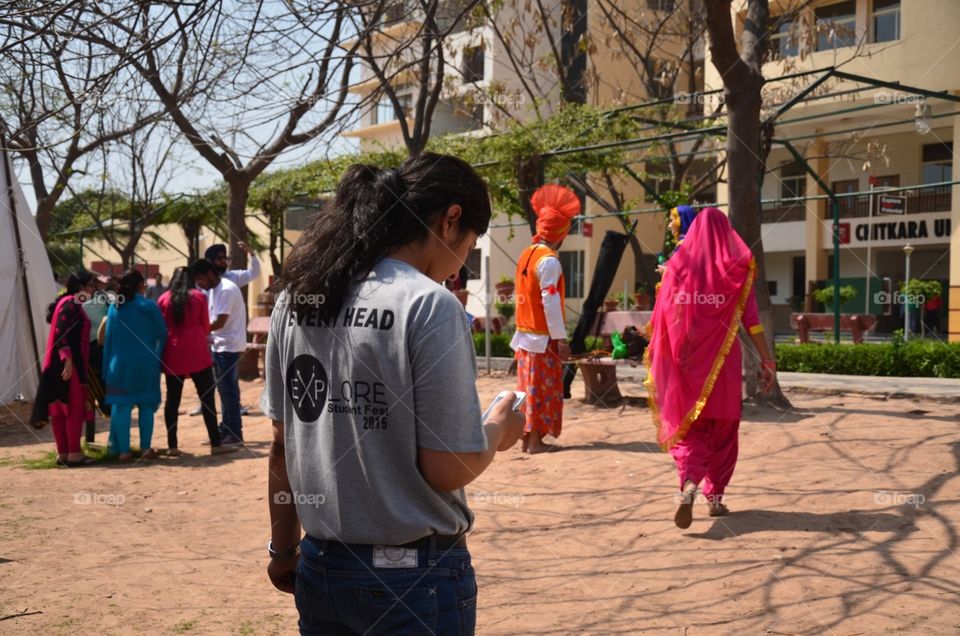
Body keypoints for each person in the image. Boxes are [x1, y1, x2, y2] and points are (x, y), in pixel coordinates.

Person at [261, 153, 525, 634]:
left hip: (322, 567)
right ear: (451, 220)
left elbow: (282, 444)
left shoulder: (296, 299)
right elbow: (447, 468)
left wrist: (284, 548)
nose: (460, 263)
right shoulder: (429, 305)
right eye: (469, 245)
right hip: (413, 580)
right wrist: (499, 427)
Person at [644, 208, 777, 529]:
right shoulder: (737, 269)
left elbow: (664, 318)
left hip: (686, 362)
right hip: (724, 365)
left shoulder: (676, 267)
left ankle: (690, 483)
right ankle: (714, 497)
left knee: (691, 428)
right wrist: (766, 360)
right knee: (724, 431)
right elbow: (752, 322)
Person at [511, 184, 579, 454]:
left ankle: (528, 439)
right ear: (560, 233)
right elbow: (549, 301)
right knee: (541, 390)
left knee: (527, 389)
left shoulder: (526, 254)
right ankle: (535, 442)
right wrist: (560, 338)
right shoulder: (550, 260)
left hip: (525, 334)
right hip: (543, 338)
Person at [157, 267, 238, 457]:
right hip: (197, 354)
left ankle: (173, 446)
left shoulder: (164, 299)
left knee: (172, 400)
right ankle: (216, 444)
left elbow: (161, 327)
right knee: (207, 398)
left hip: (173, 354)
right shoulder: (198, 297)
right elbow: (205, 326)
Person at [30, 272, 97, 466]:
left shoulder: (67, 302)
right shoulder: (71, 304)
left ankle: (64, 453)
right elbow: (62, 331)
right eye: (91, 285)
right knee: (74, 410)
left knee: (59, 411)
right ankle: (74, 454)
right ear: (81, 288)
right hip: (67, 365)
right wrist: (67, 359)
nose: (94, 289)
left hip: (55, 364)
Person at [102, 269, 168, 462]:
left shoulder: (115, 308)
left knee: (121, 406)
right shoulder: (148, 306)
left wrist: (107, 368)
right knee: (146, 405)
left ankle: (123, 451)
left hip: (118, 365)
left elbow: (108, 339)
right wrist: (156, 355)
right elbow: (162, 334)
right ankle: (146, 448)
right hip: (145, 364)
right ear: (141, 285)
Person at [192, 258, 247, 444]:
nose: (199, 284)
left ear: (209, 274)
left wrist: (196, 331)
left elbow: (220, 321)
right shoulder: (216, 289)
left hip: (227, 347)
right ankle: (226, 428)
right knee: (226, 391)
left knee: (228, 391)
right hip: (221, 345)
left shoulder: (225, 289)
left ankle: (233, 433)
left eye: (200, 279)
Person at [81, 278, 112, 443]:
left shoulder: (84, 306)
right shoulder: (109, 303)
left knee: (94, 391)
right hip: (104, 350)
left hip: (90, 352)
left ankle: (90, 440)